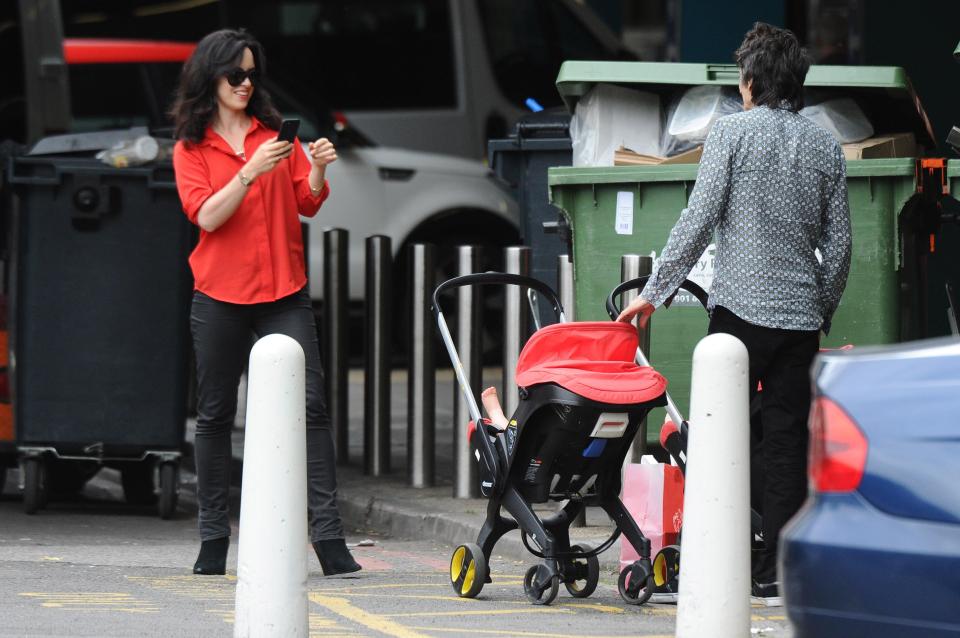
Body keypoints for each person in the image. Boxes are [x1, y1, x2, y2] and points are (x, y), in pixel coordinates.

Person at [616, 22, 852, 597]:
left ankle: (721, 557)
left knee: (723, 440)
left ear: (750, 83)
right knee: (786, 445)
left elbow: (698, 219)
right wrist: (818, 307)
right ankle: (775, 571)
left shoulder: (731, 135)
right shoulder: (824, 144)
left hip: (738, 321)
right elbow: (841, 245)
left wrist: (654, 292)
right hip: (798, 323)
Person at [169, 29, 360, 577]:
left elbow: (307, 201)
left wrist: (318, 165)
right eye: (236, 75)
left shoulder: (276, 134)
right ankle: (212, 541)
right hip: (219, 292)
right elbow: (205, 215)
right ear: (212, 78)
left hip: (283, 291)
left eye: (253, 74)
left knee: (312, 409)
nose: (247, 84)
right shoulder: (191, 147)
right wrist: (250, 173)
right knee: (215, 416)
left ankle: (329, 539)